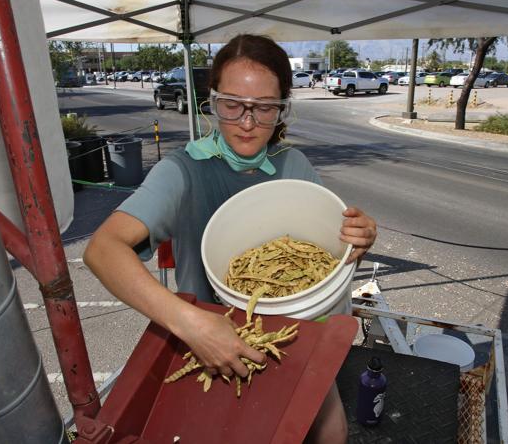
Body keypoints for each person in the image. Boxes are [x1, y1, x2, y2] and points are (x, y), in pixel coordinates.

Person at [84, 34, 377, 443]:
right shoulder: (182, 171)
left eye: (264, 109)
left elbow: (325, 268)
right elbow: (102, 250)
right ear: (212, 100)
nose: (246, 122)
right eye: (232, 104)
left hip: (297, 339)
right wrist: (193, 325)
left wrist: (357, 243)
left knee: (331, 433)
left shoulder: (294, 164)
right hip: (211, 350)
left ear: (282, 109)